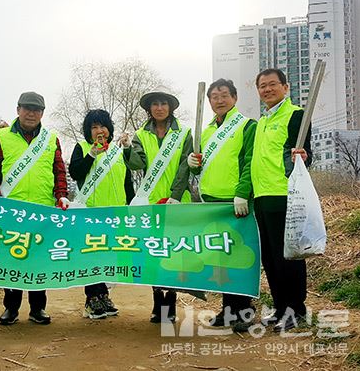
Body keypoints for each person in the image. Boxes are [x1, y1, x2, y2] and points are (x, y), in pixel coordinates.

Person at [0, 91, 70, 325]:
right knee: (12, 259)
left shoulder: (52, 138)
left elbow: (59, 171)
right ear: (18, 109)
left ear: (42, 113)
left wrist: (61, 196)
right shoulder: (1, 136)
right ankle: (11, 308)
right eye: (27, 108)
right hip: (12, 210)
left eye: (36, 109)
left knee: (39, 260)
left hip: (43, 210)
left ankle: (37, 309)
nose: (31, 113)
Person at [187, 79, 257, 332]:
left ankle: (244, 309)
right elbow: (201, 164)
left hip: (235, 202)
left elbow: (250, 161)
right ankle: (229, 309)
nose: (219, 100)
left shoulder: (247, 126)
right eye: (214, 97)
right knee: (221, 258)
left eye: (224, 95)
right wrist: (194, 163)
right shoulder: (206, 131)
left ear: (235, 98)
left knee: (239, 257)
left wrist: (242, 193)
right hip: (211, 201)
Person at [120, 90, 193, 323]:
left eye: (164, 104)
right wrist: (127, 148)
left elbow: (185, 165)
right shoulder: (141, 134)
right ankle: (156, 302)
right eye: (155, 104)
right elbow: (137, 164)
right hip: (150, 201)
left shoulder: (184, 133)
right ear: (149, 109)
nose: (159, 108)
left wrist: (176, 195)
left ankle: (169, 305)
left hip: (177, 200)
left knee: (171, 251)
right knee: (153, 251)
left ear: (170, 107)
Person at [251, 68, 312, 332]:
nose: (267, 89)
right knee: (270, 257)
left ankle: (296, 310)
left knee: (288, 255)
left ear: (285, 87)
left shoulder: (295, 115)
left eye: (272, 84)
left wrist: (304, 155)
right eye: (262, 86)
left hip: (283, 195)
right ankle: (279, 308)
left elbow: (306, 152)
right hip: (261, 197)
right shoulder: (262, 121)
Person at [68, 109, 135, 319]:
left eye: (103, 126)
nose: (99, 131)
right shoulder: (82, 148)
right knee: (91, 255)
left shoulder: (117, 152)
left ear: (109, 129)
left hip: (115, 214)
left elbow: (127, 182)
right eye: (94, 127)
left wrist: (132, 207)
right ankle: (91, 299)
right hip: (90, 213)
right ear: (88, 131)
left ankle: (104, 296)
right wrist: (91, 155)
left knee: (108, 255)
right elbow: (75, 172)